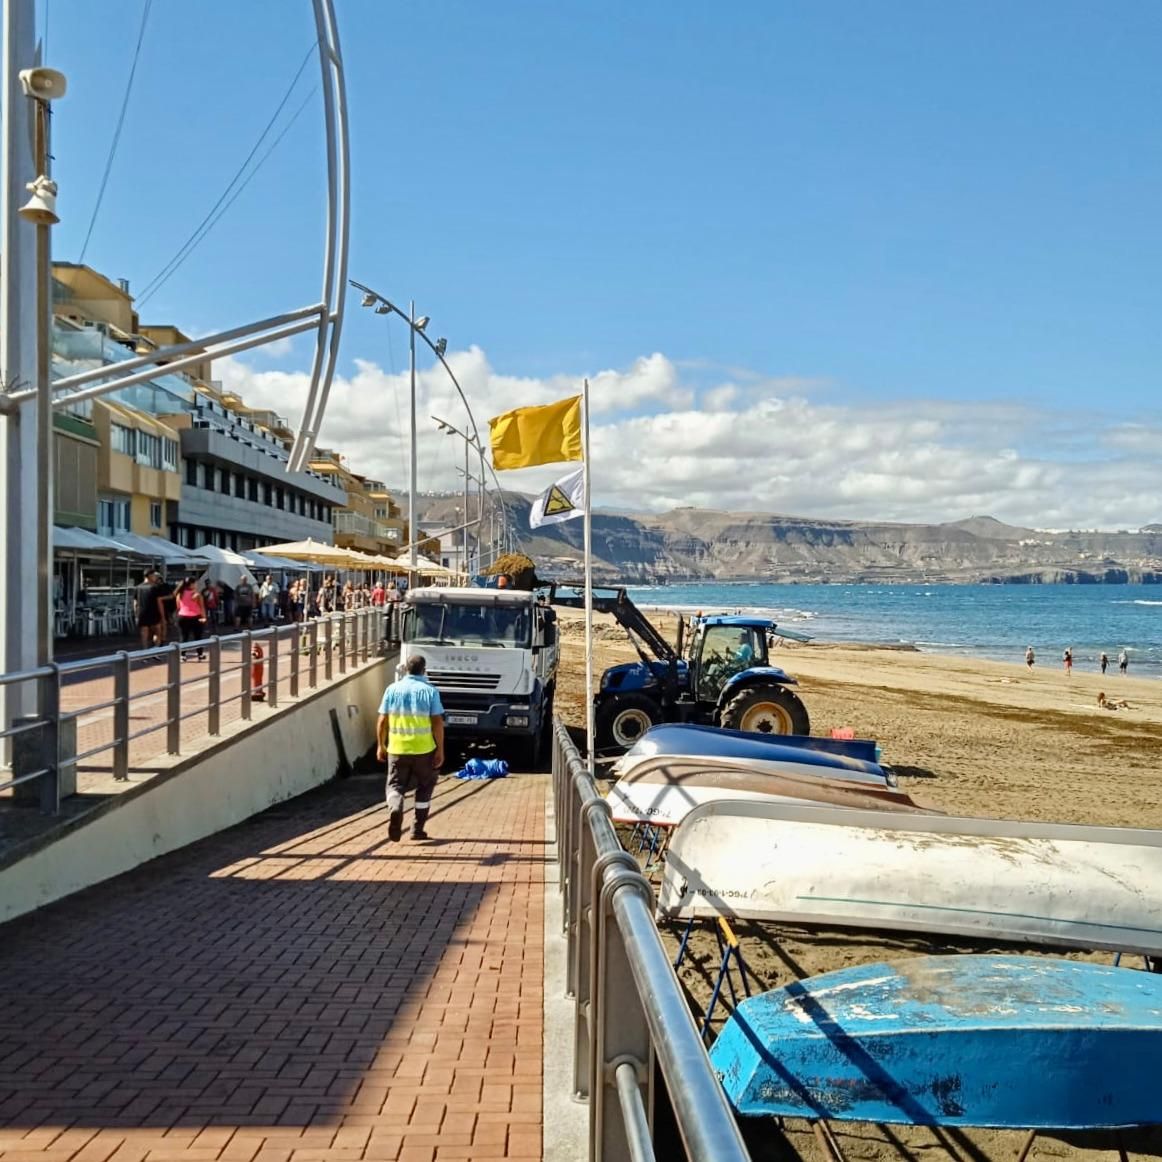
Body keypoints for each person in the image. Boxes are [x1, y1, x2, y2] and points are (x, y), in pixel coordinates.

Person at [377, 654, 444, 842]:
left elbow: (382, 721)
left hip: (397, 749)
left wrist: (381, 746)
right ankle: (417, 829)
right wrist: (440, 750)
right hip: (424, 749)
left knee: (394, 786)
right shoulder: (430, 691)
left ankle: (396, 807)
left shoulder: (392, 690)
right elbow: (437, 722)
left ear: (405, 669)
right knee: (425, 787)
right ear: (424, 670)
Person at [133, 570, 169, 651]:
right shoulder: (155, 588)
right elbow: (159, 603)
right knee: (157, 632)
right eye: (154, 575)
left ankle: (145, 650)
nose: (155, 577)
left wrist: (136, 614)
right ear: (149, 576)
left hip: (142, 613)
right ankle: (155, 650)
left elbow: (135, 602)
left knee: (144, 634)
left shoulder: (138, 587)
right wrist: (163, 617)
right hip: (154, 612)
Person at [175, 577, 206, 661]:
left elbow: (178, 606)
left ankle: (183, 655)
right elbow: (202, 607)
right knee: (198, 637)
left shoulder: (179, 594)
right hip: (195, 617)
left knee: (184, 637)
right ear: (191, 584)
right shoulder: (197, 594)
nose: (196, 585)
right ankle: (200, 654)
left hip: (182, 617)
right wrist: (204, 617)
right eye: (195, 583)